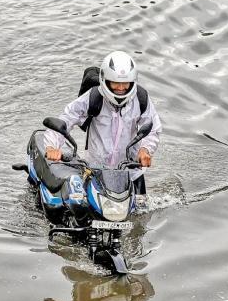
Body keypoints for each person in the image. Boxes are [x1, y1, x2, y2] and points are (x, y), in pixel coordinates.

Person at [38, 51, 162, 210]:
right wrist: (51, 147)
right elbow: (66, 119)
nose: (121, 88)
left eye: (126, 84)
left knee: (140, 217)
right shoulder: (93, 97)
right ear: (105, 80)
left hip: (130, 172)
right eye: (115, 83)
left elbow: (153, 128)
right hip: (95, 170)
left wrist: (145, 149)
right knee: (83, 215)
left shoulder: (141, 99)